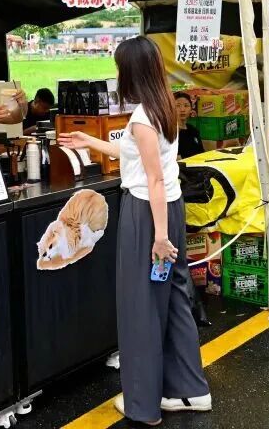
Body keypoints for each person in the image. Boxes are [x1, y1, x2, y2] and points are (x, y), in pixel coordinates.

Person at [60, 37, 210, 425]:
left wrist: (159, 237)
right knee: (174, 296)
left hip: (147, 214)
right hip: (170, 208)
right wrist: (89, 141)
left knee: (140, 306)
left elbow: (151, 178)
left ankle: (143, 404)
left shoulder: (143, 117)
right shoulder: (163, 106)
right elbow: (139, 158)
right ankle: (190, 389)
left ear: (131, 72)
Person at [174, 92, 204, 159]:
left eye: (186, 106)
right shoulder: (170, 133)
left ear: (191, 109)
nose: (182, 110)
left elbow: (202, 154)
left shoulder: (194, 131)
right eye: (178, 106)